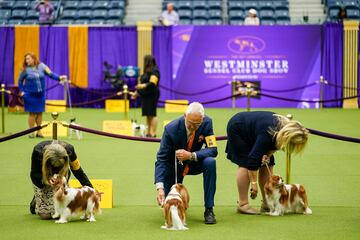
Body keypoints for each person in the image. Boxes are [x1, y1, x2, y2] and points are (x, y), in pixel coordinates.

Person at [225, 111, 308, 214]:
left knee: (268, 163)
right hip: (239, 128)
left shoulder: (281, 131)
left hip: (257, 131)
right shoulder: (268, 133)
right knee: (245, 164)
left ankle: (267, 203)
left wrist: (268, 154)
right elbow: (253, 159)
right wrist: (253, 184)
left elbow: (276, 145)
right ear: (287, 136)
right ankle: (243, 204)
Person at [155, 102, 217, 224]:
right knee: (170, 202)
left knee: (210, 162)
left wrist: (192, 155)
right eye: (189, 123)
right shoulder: (170, 128)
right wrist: (160, 188)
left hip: (194, 163)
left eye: (197, 124)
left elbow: (213, 149)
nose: (192, 127)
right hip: (175, 166)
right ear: (184, 116)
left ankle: (209, 209)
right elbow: (161, 158)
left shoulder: (207, 123)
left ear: (202, 119)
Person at [29, 140, 93, 219]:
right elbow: (34, 174)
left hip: (61, 176)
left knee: (59, 214)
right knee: (45, 216)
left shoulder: (70, 150)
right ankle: (36, 201)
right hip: (43, 178)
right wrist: (47, 180)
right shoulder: (38, 151)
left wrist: (92, 191)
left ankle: (50, 197)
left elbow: (78, 171)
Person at [18, 52, 67, 138]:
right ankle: (31, 132)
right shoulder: (25, 70)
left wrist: (59, 77)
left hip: (40, 95)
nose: (27, 60)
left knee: (40, 113)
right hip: (29, 95)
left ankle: (39, 131)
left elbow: (51, 74)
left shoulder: (42, 66)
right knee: (32, 113)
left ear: (33, 58)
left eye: (28, 58)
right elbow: (20, 81)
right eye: (26, 59)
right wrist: (22, 91)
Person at [133, 55, 160, 137]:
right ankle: (148, 131)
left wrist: (142, 86)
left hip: (152, 95)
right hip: (145, 95)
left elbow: (152, 83)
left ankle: (153, 132)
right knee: (148, 114)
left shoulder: (154, 71)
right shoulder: (147, 71)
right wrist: (137, 92)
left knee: (152, 114)